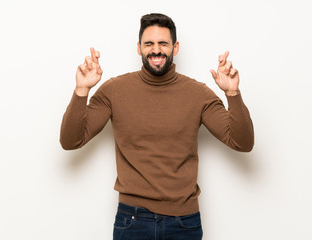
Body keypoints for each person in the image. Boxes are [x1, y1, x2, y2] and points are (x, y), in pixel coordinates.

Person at [60, 13, 254, 240]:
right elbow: (71, 141)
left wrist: (232, 93)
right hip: (132, 220)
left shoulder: (198, 94)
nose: (156, 50)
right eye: (149, 43)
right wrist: (81, 90)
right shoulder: (114, 91)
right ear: (139, 48)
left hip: (184, 222)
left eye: (163, 43)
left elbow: (243, 143)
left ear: (175, 47)